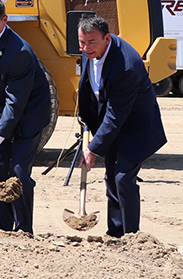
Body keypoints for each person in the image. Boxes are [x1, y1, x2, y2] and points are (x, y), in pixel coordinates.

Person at [77, 15, 167, 237]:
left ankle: (131, 236)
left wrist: (93, 148)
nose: (85, 48)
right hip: (111, 125)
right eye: (82, 42)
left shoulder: (126, 66)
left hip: (136, 127)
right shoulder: (91, 48)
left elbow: (116, 114)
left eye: (91, 42)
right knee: (110, 177)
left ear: (107, 38)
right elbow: (90, 87)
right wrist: (87, 121)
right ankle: (115, 233)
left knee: (123, 178)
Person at [0, 0, 51, 233]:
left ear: (5, 20)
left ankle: (24, 229)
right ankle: (0, 226)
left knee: (17, 171)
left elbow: (16, 103)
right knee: (0, 168)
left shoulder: (20, 52)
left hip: (29, 114)